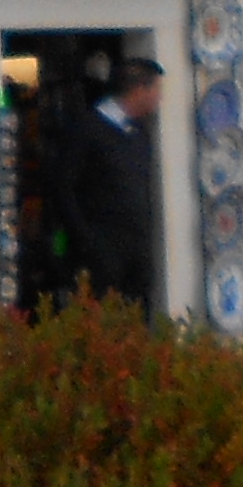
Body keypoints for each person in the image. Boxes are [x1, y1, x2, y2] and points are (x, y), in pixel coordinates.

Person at [46, 48, 163, 310]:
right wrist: (87, 242)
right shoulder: (87, 129)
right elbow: (63, 188)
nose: (159, 98)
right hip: (100, 257)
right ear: (139, 90)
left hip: (136, 256)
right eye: (156, 90)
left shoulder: (139, 132)